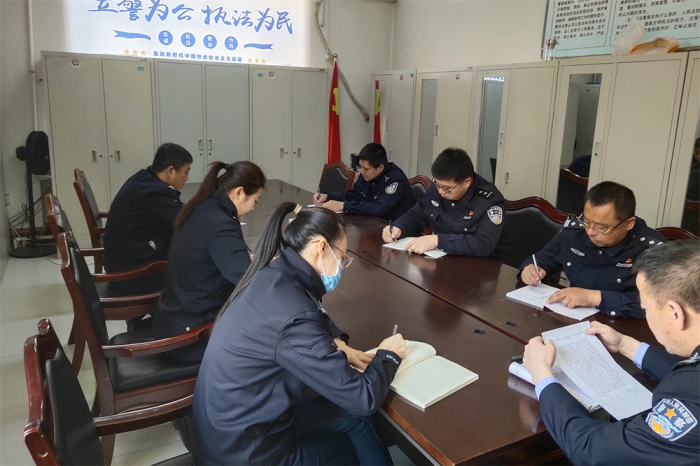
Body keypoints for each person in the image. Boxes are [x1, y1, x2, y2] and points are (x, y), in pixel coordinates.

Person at [191, 203, 407, 465]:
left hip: (228, 431)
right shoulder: (293, 315)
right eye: (342, 256)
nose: (342, 265)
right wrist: (389, 356)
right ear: (321, 247)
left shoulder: (274, 274)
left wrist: (337, 343)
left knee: (356, 420)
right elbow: (364, 398)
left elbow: (313, 314)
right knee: (352, 439)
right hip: (248, 453)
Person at [522, 240, 700, 465]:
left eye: (645, 308)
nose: (646, 314)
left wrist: (542, 376)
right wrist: (625, 345)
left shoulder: (690, 403)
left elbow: (592, 450)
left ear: (675, 313)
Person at [153, 160, 266, 362]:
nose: (252, 209)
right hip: (191, 336)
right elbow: (249, 282)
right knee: (270, 343)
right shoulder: (221, 225)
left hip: (172, 321)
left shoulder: (202, 207)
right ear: (239, 193)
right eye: (255, 201)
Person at [520, 181, 665, 319]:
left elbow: (660, 304)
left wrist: (594, 297)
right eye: (586, 221)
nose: (590, 232)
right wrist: (532, 268)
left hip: (626, 328)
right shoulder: (575, 233)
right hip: (573, 317)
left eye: (601, 228)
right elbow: (543, 258)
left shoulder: (652, 251)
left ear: (629, 224)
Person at [381, 147, 510, 263]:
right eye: (437, 184)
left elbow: (483, 244)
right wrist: (398, 227)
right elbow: (417, 214)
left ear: (467, 182)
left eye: (447, 189)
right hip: (444, 260)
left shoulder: (488, 200)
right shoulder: (439, 188)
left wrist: (438, 240)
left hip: (482, 268)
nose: (440, 192)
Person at [103, 143, 192, 272]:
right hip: (134, 271)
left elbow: (175, 211)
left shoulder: (145, 180)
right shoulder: (152, 192)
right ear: (171, 171)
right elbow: (183, 222)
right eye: (186, 172)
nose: (187, 178)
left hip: (128, 258)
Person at [313, 142, 414, 221]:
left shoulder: (396, 180)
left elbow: (379, 208)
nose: (362, 171)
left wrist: (343, 206)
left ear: (380, 167)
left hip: (394, 229)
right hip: (370, 223)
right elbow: (352, 196)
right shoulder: (366, 175)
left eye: (366, 169)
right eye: (361, 167)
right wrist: (327, 196)